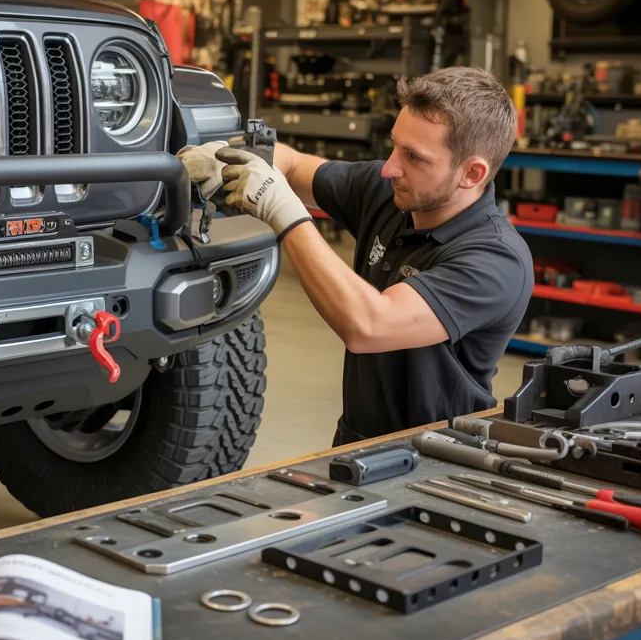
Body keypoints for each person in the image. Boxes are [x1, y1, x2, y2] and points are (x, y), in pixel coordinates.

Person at [179, 66, 534, 446]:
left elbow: (368, 325)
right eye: (395, 145)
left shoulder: (496, 259)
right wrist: (230, 156)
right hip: (355, 441)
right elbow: (294, 164)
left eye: (414, 156)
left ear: (472, 173)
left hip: (439, 458)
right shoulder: (390, 191)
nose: (389, 166)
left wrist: (283, 210)